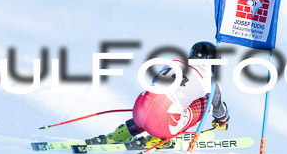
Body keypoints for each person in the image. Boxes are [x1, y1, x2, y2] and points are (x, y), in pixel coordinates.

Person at [88, 41, 230, 148]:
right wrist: (223, 119)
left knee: (158, 102)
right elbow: (217, 105)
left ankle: (121, 134)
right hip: (162, 123)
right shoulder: (209, 79)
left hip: (139, 109)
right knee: (207, 103)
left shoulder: (174, 62)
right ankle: (161, 138)